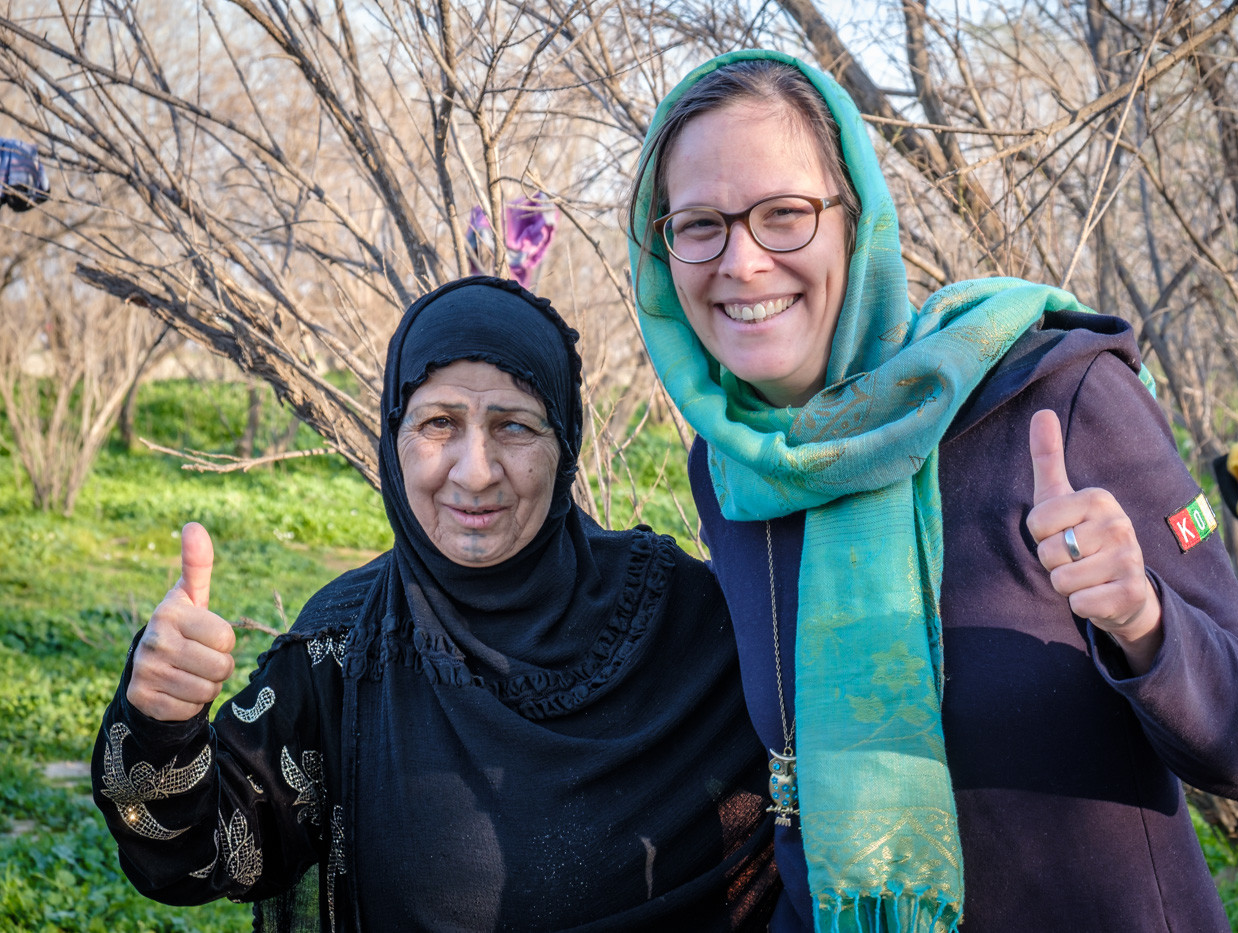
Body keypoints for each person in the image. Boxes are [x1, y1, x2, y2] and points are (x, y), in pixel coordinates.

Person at [627, 50, 1238, 933]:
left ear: (855, 221)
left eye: (784, 214)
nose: (742, 262)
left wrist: (1144, 621)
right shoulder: (730, 477)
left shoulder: (1054, 393)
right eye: (700, 223)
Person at [91, 275, 778, 931]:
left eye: (514, 425)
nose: (474, 471)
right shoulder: (345, 648)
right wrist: (160, 721)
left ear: (564, 443)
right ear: (394, 439)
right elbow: (200, 854)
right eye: (440, 423)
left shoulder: (685, 618)